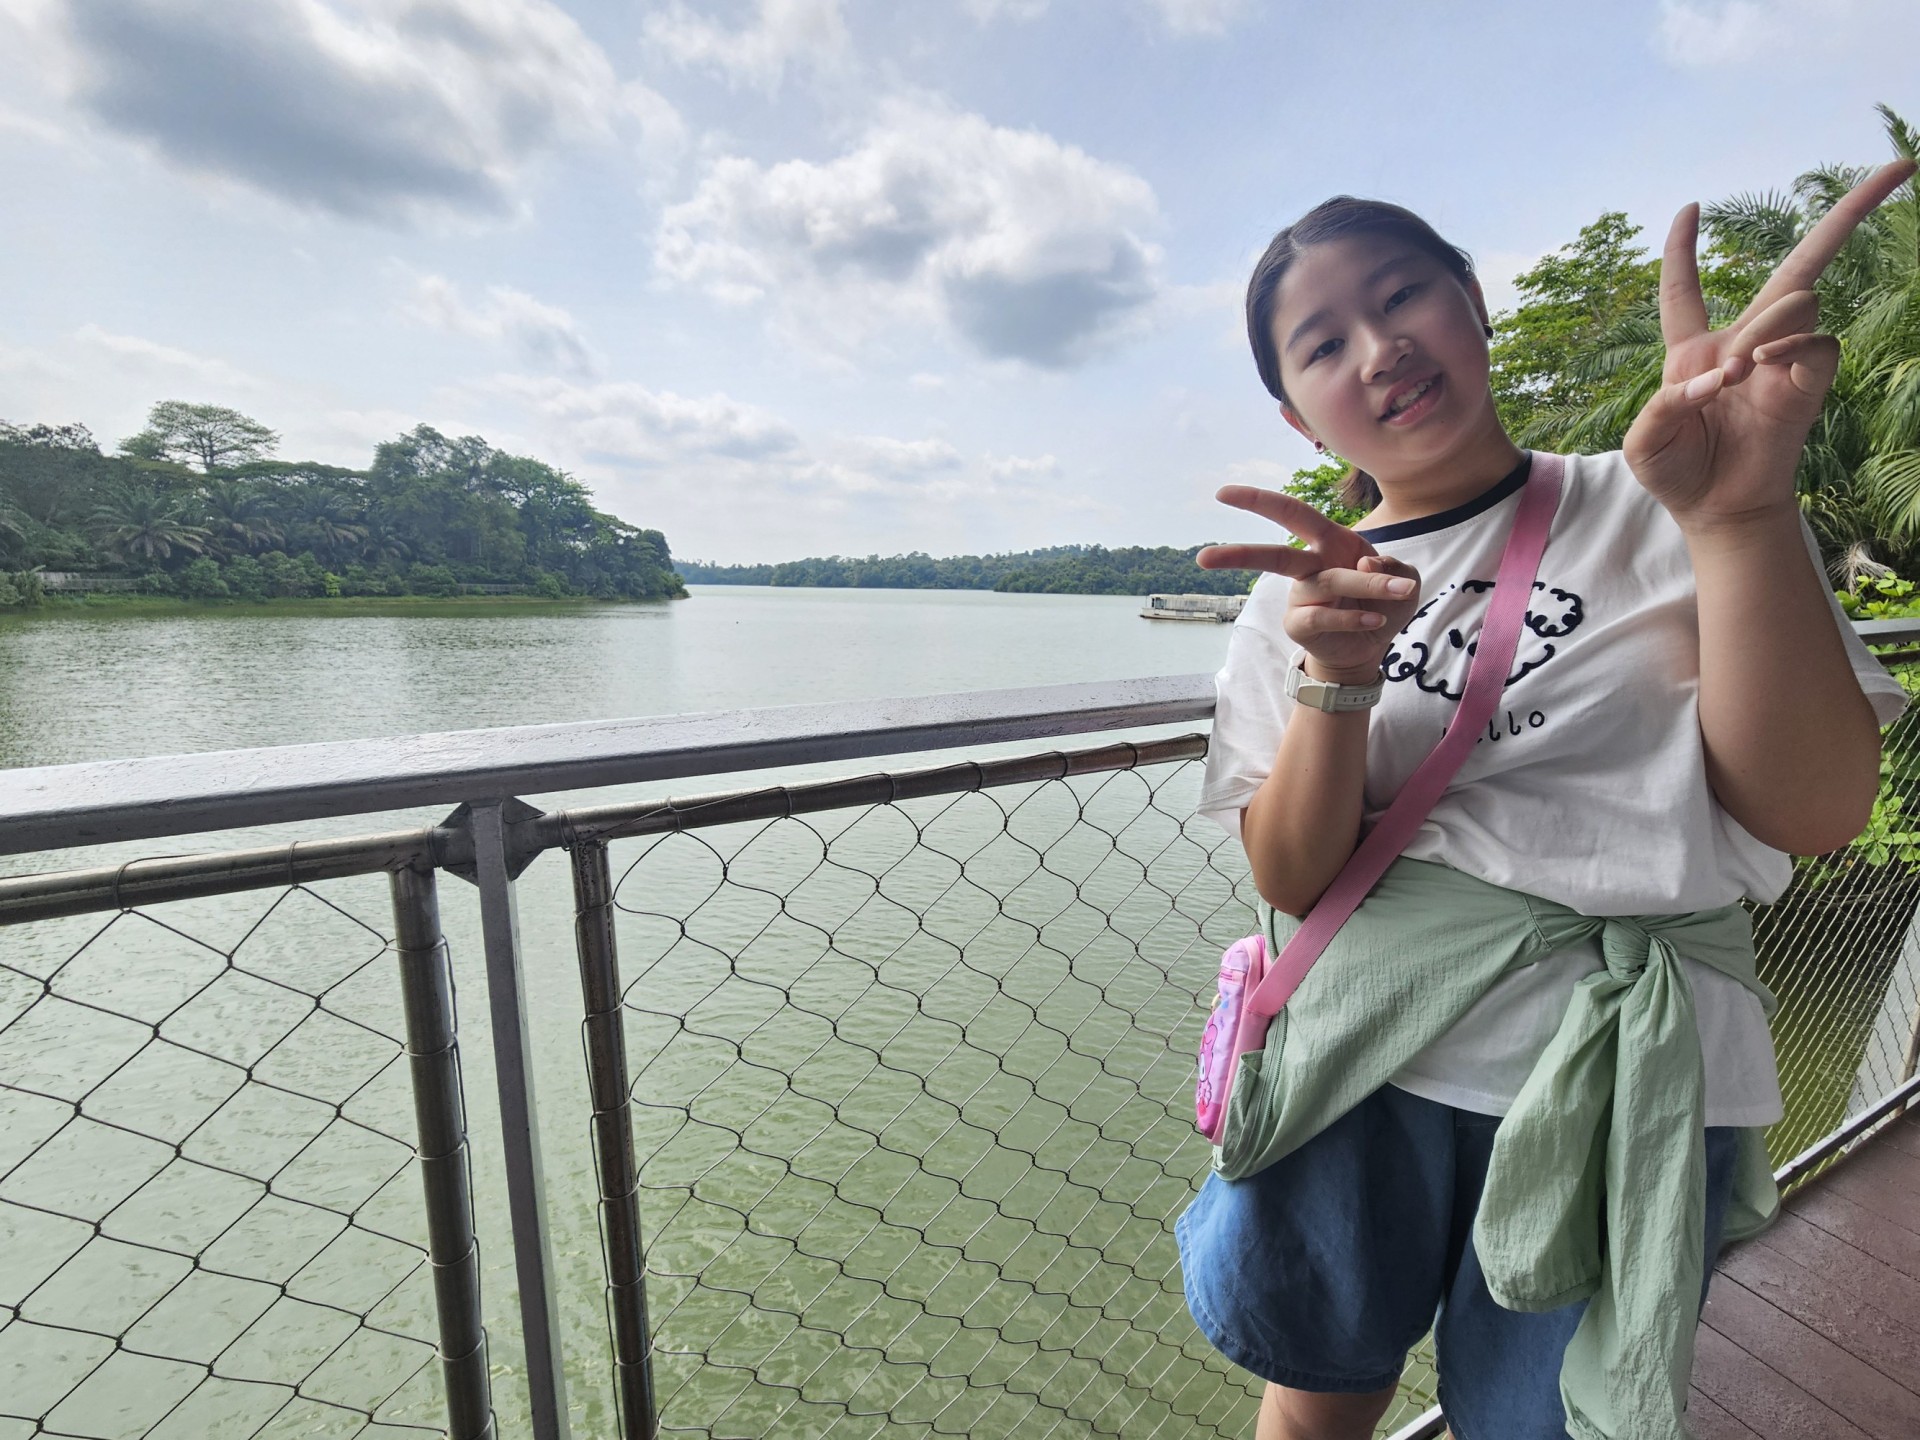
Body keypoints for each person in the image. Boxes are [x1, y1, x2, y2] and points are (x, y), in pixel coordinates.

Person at [1179, 159, 1917, 1440]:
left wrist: (1743, 515)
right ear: (1301, 417)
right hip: (1367, 1059)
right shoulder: (1292, 600)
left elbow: (1815, 813)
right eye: (1324, 344)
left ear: (1473, 305)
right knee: (1315, 1401)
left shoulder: (1671, 488)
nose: (1379, 348)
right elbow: (1293, 876)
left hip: (1629, 1085)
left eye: (1401, 296)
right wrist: (1335, 678)